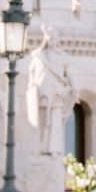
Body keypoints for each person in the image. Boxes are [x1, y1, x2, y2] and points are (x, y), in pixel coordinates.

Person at [25, 25, 75, 158]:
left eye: (55, 38)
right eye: (50, 38)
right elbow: (32, 73)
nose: (53, 41)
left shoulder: (62, 56)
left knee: (55, 121)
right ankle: (39, 148)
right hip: (43, 92)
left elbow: (68, 73)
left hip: (57, 93)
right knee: (41, 121)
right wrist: (32, 87)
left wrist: (73, 86)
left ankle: (55, 148)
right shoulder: (39, 56)